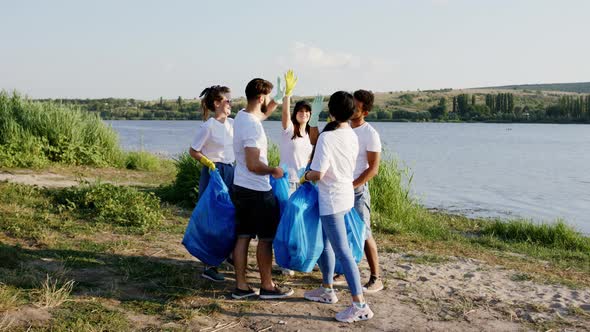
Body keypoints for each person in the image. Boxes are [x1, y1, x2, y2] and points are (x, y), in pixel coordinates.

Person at [301, 91, 374, 323]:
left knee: (342, 250)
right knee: (326, 244)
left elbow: (318, 172)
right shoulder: (350, 134)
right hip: (344, 195)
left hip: (332, 198)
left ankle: (360, 304)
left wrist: (305, 176)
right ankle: (327, 288)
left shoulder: (328, 137)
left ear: (330, 111)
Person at [230, 77, 295, 300]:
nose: (268, 102)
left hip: (240, 186)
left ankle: (241, 286)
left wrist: (278, 98)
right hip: (257, 190)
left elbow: (263, 114)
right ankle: (267, 286)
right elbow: (253, 164)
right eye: (266, 98)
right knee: (266, 238)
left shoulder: (241, 116)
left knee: (243, 236)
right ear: (260, 98)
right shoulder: (253, 128)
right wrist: (274, 170)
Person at [189, 85, 235, 282]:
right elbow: (193, 150)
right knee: (213, 217)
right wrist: (207, 162)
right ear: (217, 103)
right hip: (214, 172)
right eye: (227, 100)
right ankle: (209, 266)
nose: (231, 104)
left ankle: (230, 255)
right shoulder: (208, 126)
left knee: (231, 215)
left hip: (232, 171)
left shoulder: (232, 124)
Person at [350, 89, 383, 293]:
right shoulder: (343, 128)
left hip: (358, 191)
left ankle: (376, 277)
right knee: (342, 233)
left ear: (365, 112)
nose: (352, 108)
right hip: (340, 189)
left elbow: (374, 168)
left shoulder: (370, 134)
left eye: (357, 106)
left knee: (363, 233)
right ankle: (339, 271)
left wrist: (353, 185)